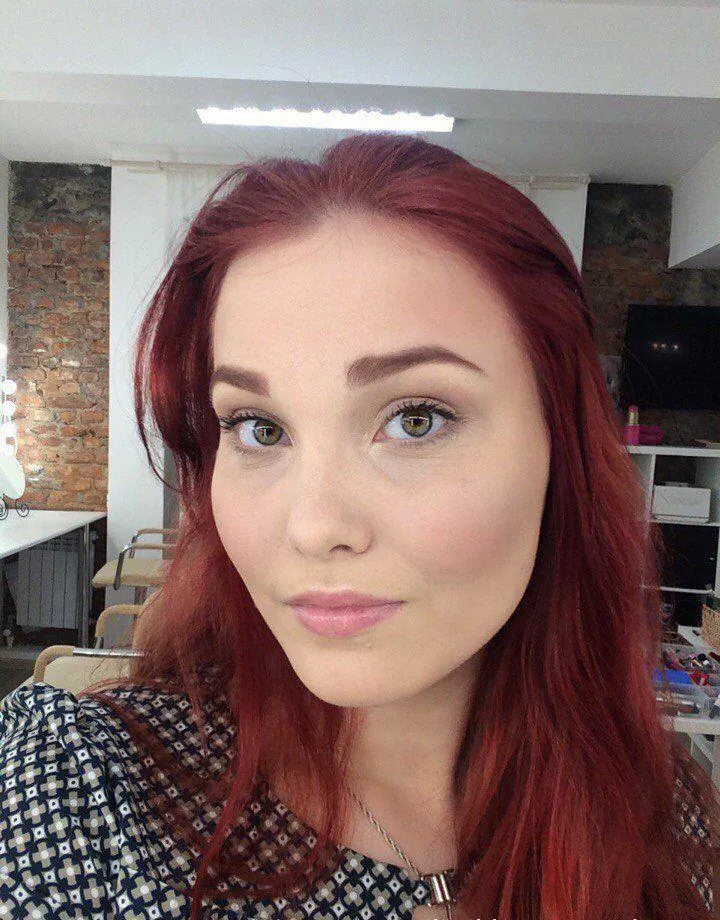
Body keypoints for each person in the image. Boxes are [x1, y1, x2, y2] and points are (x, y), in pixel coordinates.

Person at [0, 132, 717, 920]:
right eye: (259, 428)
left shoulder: (667, 821)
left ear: (561, 447)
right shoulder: (78, 794)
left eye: (416, 418)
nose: (314, 528)